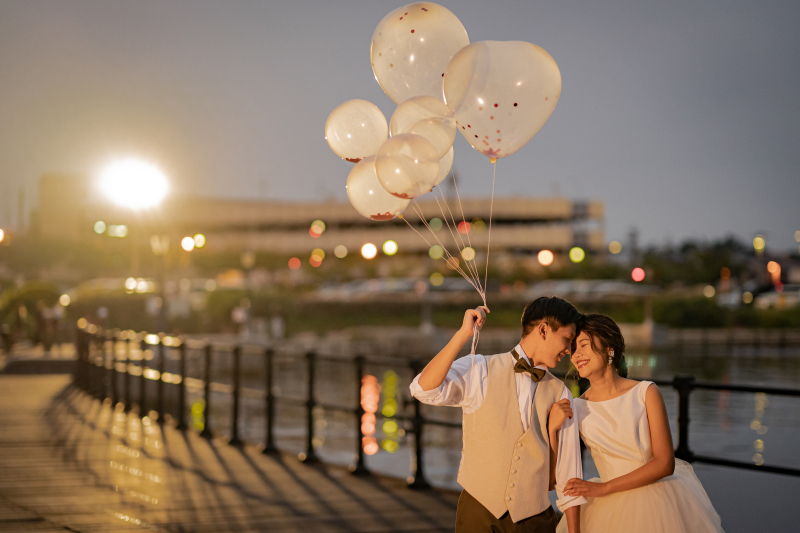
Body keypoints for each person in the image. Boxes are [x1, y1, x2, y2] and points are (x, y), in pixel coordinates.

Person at [410, 296, 586, 533]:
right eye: (567, 339)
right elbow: (423, 389)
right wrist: (463, 333)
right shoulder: (480, 369)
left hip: (535, 520)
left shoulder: (561, 393)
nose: (569, 349)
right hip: (478, 515)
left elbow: (567, 474)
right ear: (543, 330)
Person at [551, 314, 724, 533]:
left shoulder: (646, 392)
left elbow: (664, 463)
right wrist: (552, 428)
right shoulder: (575, 407)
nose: (576, 355)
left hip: (658, 501)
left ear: (609, 348)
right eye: (573, 349)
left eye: (583, 345)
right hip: (606, 510)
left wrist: (605, 488)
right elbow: (557, 471)